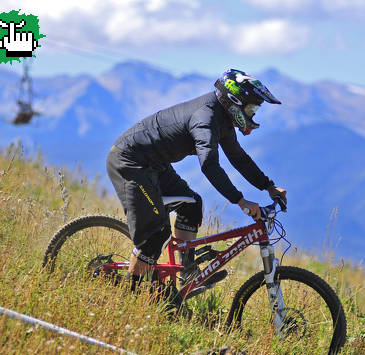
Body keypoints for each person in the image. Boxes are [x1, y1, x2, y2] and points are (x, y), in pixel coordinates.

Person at [106, 68, 287, 287]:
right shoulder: (205, 119)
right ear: (234, 101)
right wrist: (240, 200)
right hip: (130, 162)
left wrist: (268, 186)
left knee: (191, 205)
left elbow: (239, 158)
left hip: (154, 164)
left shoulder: (222, 118)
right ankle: (130, 291)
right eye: (251, 108)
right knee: (156, 234)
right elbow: (209, 165)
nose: (253, 114)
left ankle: (187, 272)